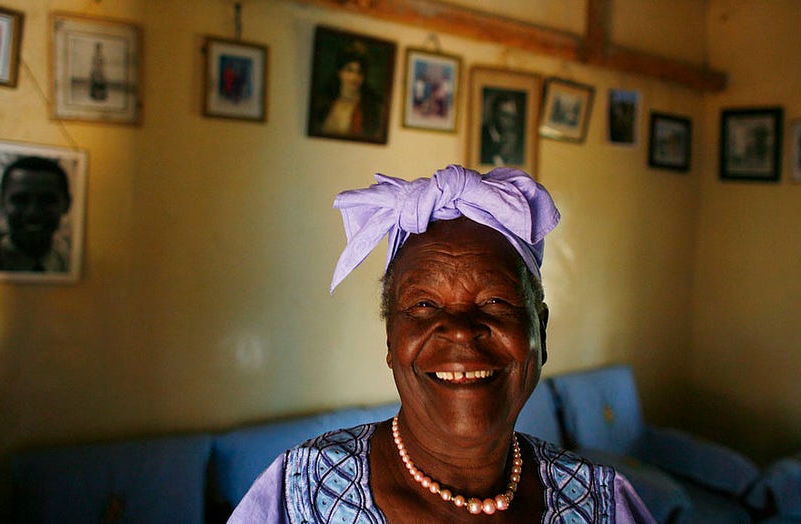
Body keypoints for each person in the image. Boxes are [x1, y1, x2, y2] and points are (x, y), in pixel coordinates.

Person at [228, 165, 654, 522]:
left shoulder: (602, 504)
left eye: (495, 301)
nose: (461, 329)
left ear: (539, 332)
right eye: (424, 304)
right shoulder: (300, 496)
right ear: (392, 341)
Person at [0, 156, 72, 272]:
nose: (33, 213)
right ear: (2, 203)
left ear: (67, 204)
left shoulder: (73, 265)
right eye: (21, 200)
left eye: (47, 200)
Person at [311, 41, 384, 140]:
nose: (355, 77)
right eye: (350, 70)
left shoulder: (372, 107)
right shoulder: (323, 101)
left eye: (359, 72)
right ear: (339, 72)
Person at [480, 93, 524, 166]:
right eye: (505, 115)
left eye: (513, 117)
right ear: (494, 114)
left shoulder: (516, 139)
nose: (510, 121)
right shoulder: (481, 136)